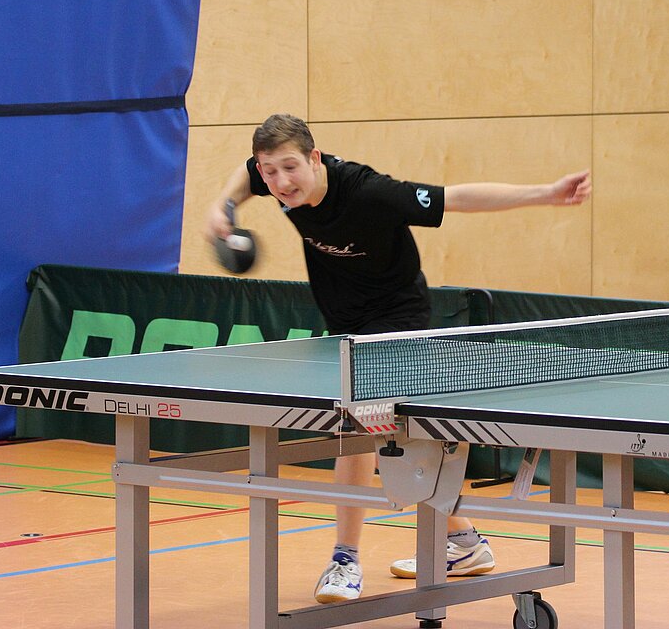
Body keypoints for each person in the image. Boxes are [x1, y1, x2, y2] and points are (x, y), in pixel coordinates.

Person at [205, 113, 592, 604]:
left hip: (397, 317)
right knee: (406, 441)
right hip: (347, 323)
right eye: (271, 171)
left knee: (356, 428)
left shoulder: (370, 193)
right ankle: (465, 542)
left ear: (315, 158)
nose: (280, 182)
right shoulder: (276, 179)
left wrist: (546, 193)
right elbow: (246, 174)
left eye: (289, 168)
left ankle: (345, 559)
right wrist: (224, 205)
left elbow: (455, 197)